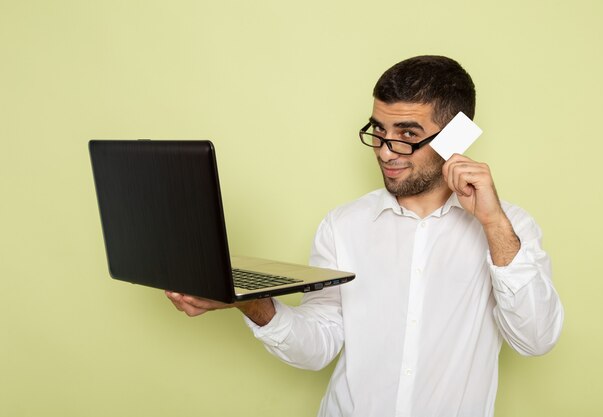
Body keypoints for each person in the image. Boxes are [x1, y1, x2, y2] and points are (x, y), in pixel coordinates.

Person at [166, 55, 564, 417]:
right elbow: (318, 346)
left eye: (407, 134)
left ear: (453, 139)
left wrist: (493, 225)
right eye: (379, 131)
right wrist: (250, 303)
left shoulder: (509, 229)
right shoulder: (343, 225)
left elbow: (536, 339)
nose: (386, 152)